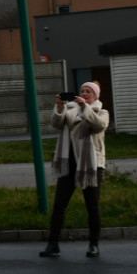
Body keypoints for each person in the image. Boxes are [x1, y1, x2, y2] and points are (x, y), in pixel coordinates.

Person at [40, 81, 110, 259]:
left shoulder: (101, 112)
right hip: (69, 163)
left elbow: (99, 125)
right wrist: (59, 106)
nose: (85, 93)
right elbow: (56, 123)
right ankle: (52, 243)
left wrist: (84, 107)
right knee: (59, 205)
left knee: (92, 205)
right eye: (82, 91)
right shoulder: (69, 111)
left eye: (89, 92)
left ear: (95, 96)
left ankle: (94, 244)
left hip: (90, 165)